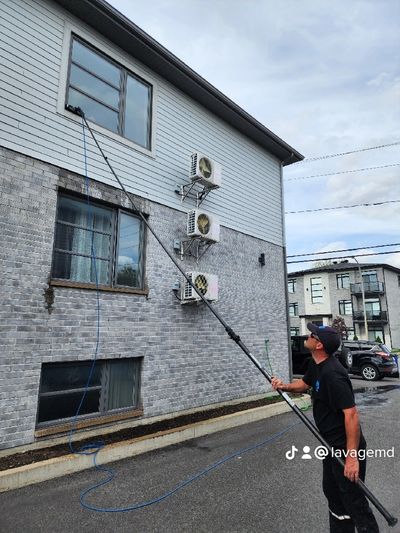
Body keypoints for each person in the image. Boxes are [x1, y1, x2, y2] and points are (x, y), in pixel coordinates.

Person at [272, 323, 379, 533]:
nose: (307, 335)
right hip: (329, 445)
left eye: (312, 334)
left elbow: (351, 415)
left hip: (345, 447)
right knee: (332, 492)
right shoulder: (316, 364)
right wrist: (283, 386)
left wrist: (351, 458)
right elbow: (304, 384)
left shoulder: (333, 374)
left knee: (353, 499)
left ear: (319, 345)